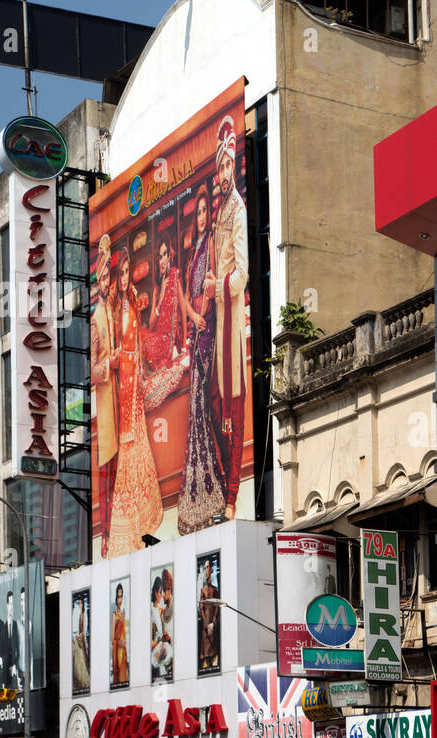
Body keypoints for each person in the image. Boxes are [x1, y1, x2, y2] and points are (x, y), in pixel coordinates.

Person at [204, 116, 252, 521]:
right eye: (218, 168)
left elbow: (243, 274)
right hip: (218, 324)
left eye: (226, 167)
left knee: (234, 406)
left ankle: (233, 493)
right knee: (215, 403)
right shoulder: (219, 213)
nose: (222, 174)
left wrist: (217, 286)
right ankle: (223, 485)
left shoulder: (237, 209)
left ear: (233, 167)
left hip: (233, 325)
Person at [175, 185, 228, 535]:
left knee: (203, 405)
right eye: (199, 212)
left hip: (207, 332)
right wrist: (192, 317)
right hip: (197, 329)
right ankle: (196, 492)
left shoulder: (210, 246)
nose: (203, 216)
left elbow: (209, 289)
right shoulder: (194, 250)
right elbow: (185, 297)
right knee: (195, 408)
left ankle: (212, 488)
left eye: (206, 210)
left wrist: (199, 316)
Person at [106, 246, 163, 556]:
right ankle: (127, 515)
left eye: (129, 271)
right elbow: (116, 346)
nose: (127, 276)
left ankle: (145, 504)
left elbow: (139, 335)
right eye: (123, 272)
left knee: (138, 432)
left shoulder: (131, 299)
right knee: (129, 436)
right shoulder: (117, 306)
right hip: (123, 374)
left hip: (136, 366)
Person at [90, 236, 120, 557]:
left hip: (119, 401)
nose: (107, 283)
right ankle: (106, 534)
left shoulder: (112, 310)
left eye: (109, 277)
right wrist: (108, 365)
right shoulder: (97, 320)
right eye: (104, 279)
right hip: (104, 408)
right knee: (105, 473)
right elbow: (91, 368)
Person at [142, 235, 190, 409]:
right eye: (159, 257)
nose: (162, 260)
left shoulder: (175, 278)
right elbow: (152, 324)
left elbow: (183, 312)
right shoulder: (157, 288)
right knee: (142, 339)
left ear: (170, 257)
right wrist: (161, 297)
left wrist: (184, 344)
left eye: (164, 255)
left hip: (169, 343)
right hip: (158, 339)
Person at [197, 560, 220, 673]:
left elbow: (217, 606)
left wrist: (213, 623)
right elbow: (201, 608)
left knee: (214, 653)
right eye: (205, 567)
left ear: (211, 569)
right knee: (205, 654)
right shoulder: (203, 590)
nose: (207, 570)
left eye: (208, 567)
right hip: (206, 627)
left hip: (213, 626)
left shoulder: (215, 589)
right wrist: (207, 624)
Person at [150, 574, 173, 682]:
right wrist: (160, 639)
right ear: (155, 592)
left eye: (162, 592)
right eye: (159, 592)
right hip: (156, 650)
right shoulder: (151, 610)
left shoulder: (160, 610)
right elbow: (150, 642)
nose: (161, 595)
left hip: (162, 647)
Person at [111, 583, 129, 687]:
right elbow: (112, 638)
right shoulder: (115, 614)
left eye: (121, 597)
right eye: (118, 597)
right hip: (118, 648)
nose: (120, 600)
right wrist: (118, 643)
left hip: (124, 647)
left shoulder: (124, 614)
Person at [72, 598, 90, 694]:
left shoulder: (83, 615)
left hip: (80, 643)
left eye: (80, 603)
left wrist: (79, 638)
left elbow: (83, 631)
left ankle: (81, 683)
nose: (80, 605)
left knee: (80, 664)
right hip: (79, 642)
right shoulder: (80, 614)